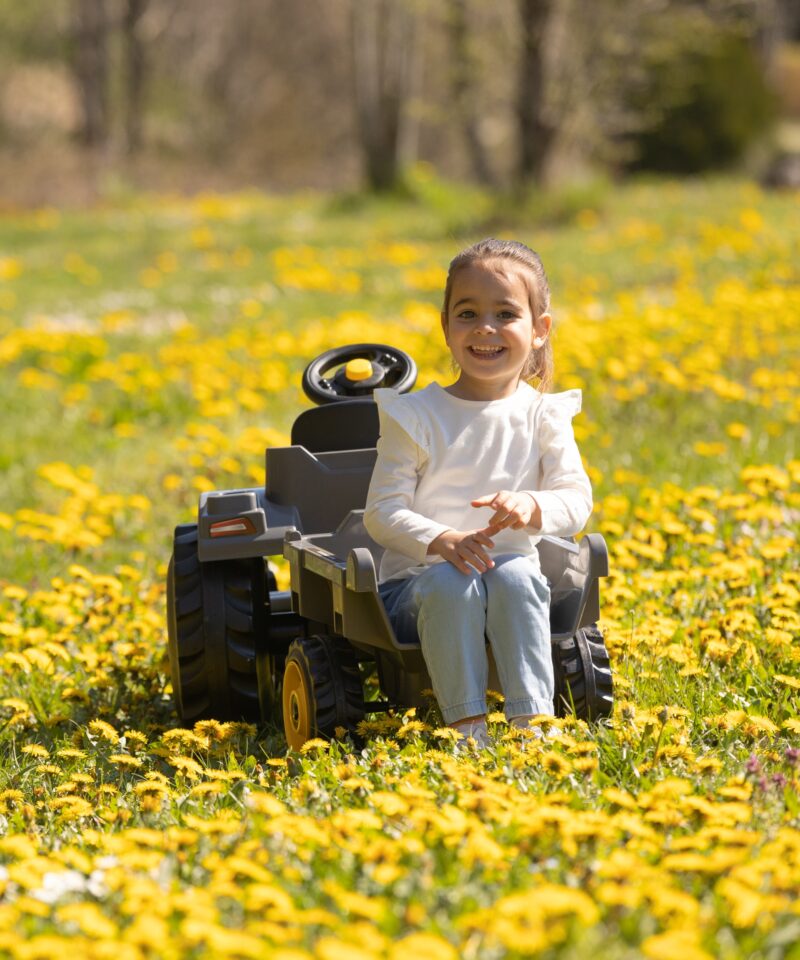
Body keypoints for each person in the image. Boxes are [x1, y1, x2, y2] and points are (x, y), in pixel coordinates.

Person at [363, 238, 592, 748]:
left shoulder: (543, 415)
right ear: (446, 326)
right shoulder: (415, 416)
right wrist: (441, 539)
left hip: (508, 573)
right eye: (467, 314)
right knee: (453, 583)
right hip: (418, 584)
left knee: (517, 577)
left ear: (539, 329)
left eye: (505, 314)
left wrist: (532, 504)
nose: (485, 328)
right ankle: (467, 729)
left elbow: (576, 498)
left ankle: (532, 724)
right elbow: (382, 511)